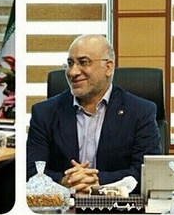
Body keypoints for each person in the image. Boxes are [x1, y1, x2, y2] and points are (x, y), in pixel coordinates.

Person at [26, 34, 161, 194]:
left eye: (83, 62)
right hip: (63, 204)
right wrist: (64, 181)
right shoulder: (44, 113)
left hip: (116, 204)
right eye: (70, 64)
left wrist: (98, 181)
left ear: (108, 67)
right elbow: (30, 170)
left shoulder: (140, 112)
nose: (73, 72)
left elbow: (147, 173)